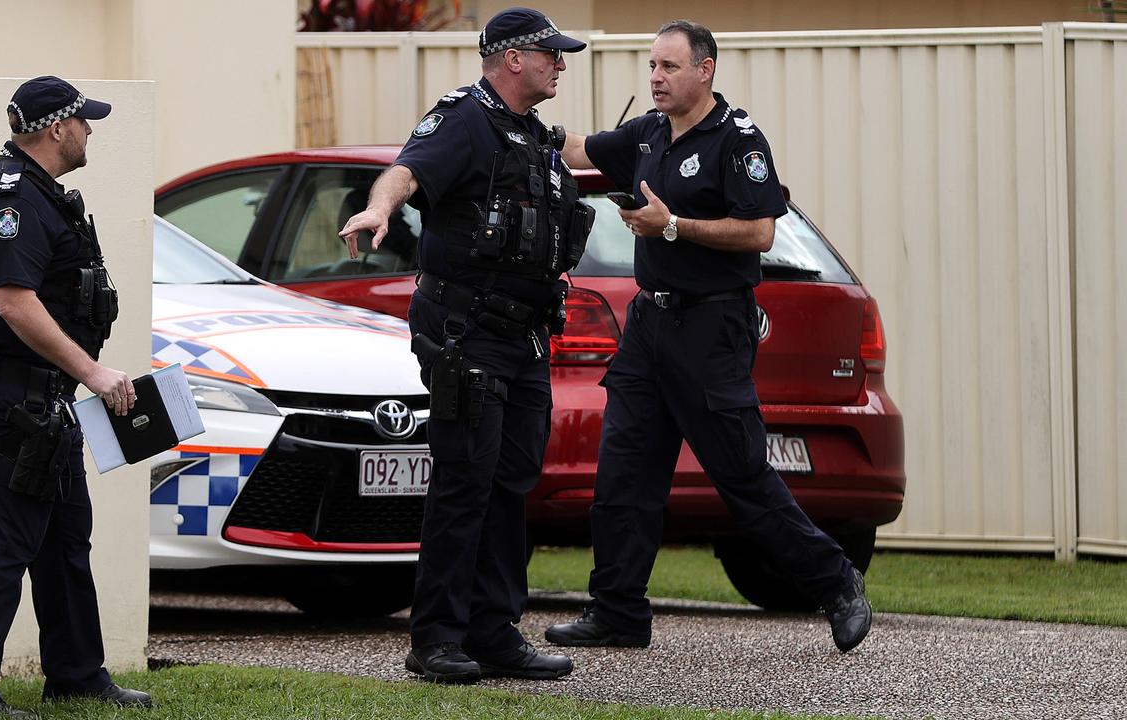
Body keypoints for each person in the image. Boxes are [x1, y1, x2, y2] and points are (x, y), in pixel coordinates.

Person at [543, 21, 873, 654]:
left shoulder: (738, 142)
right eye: (651, 68)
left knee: (742, 476)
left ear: (705, 70)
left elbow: (759, 233)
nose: (656, 79)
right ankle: (617, 611)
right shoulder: (648, 131)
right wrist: (535, 131)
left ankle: (836, 583)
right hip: (649, 327)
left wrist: (672, 228)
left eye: (668, 67)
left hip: (711, 328)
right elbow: (586, 149)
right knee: (624, 475)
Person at [339, 7, 594, 684]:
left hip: (525, 336)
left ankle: (494, 631)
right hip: (466, 333)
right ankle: (438, 638)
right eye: (551, 53)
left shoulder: (532, 134)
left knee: (512, 484)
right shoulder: (464, 119)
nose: (560, 63)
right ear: (513, 58)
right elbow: (408, 170)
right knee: (465, 482)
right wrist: (380, 208)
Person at [0, 76, 151, 716]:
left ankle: (77, 672)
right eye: (84, 121)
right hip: (14, 394)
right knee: (5, 542)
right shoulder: (14, 198)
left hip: (38, 393)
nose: (90, 130)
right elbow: (10, 300)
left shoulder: (35, 196)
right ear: (57, 128)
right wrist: (94, 372)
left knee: (63, 538)